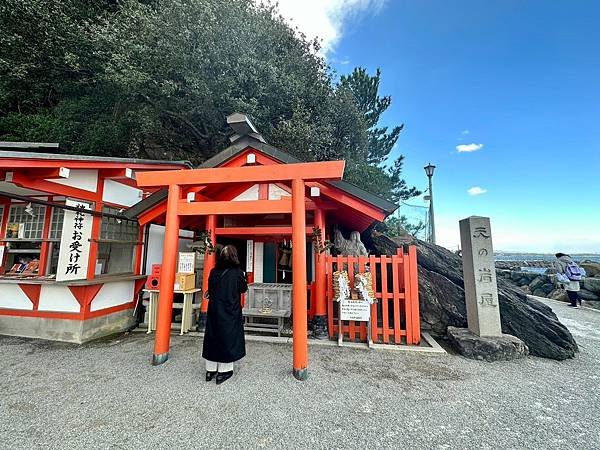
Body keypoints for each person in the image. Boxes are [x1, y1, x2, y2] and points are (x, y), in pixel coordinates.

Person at [202, 245, 248, 384]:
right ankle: (224, 371)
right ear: (234, 256)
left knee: (212, 336)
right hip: (230, 310)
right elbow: (243, 288)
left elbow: (210, 289)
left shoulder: (214, 271)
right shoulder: (237, 272)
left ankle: (210, 370)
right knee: (228, 338)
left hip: (214, 309)